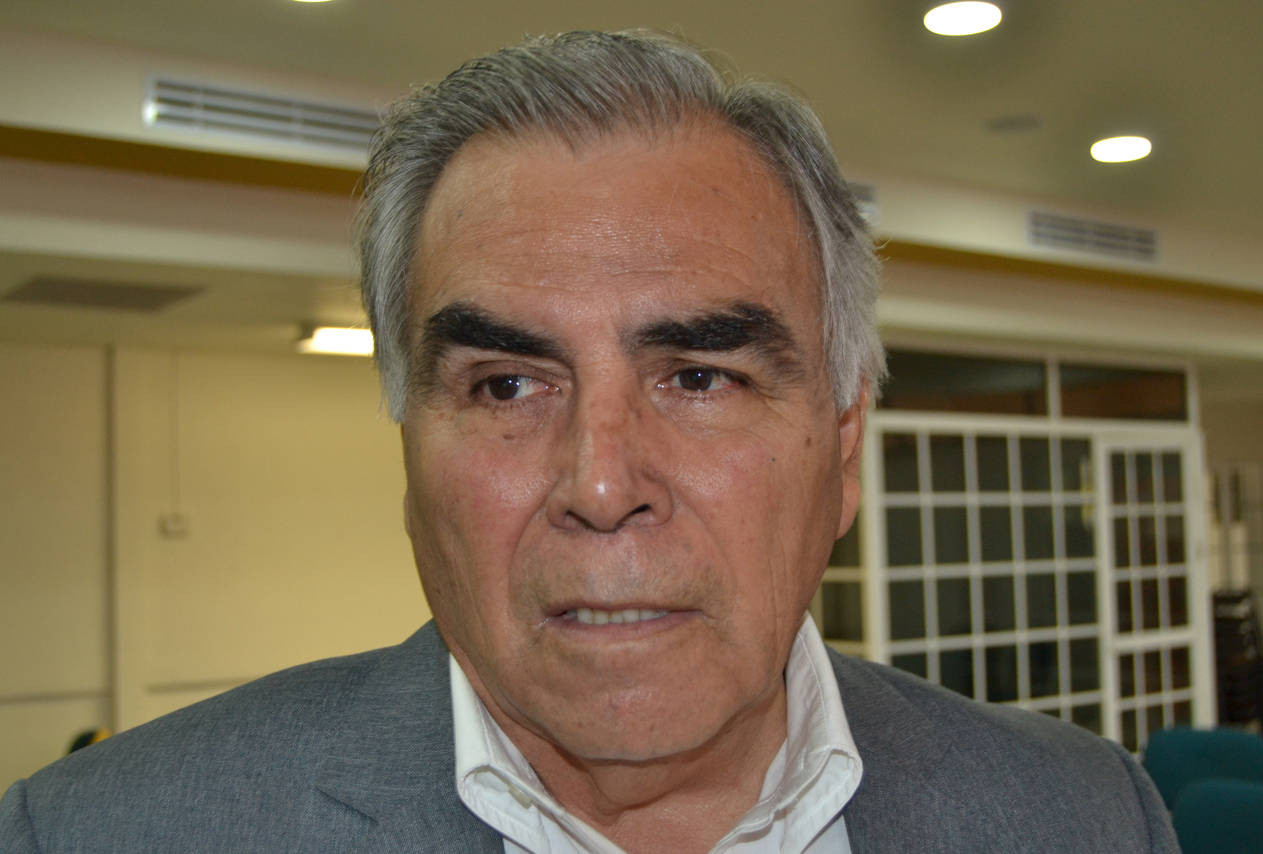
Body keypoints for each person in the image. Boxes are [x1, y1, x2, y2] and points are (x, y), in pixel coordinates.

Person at [0, 30, 1176, 853]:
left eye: (700, 376)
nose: (602, 482)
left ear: (841, 450)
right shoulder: (93, 833)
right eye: (507, 383)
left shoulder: (1085, 815)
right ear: (409, 456)